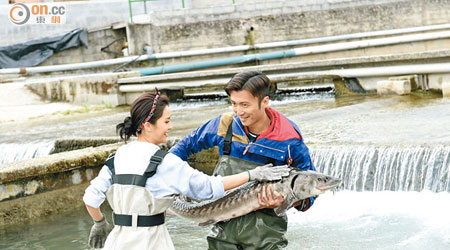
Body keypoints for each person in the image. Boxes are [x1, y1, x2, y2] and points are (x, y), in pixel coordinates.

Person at [82, 88, 290, 250]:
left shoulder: (115, 158)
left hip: (118, 241)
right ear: (147, 125)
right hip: (152, 241)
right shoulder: (164, 162)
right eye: (167, 121)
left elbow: (91, 199)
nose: (170, 127)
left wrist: (100, 223)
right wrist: (252, 175)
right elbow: (208, 188)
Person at [169, 71, 317, 250]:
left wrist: (285, 201)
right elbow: (185, 146)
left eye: (245, 105)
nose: (239, 111)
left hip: (265, 238)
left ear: (265, 101)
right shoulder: (226, 124)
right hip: (221, 233)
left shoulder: (289, 139)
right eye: (234, 104)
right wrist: (166, 174)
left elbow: (309, 191)